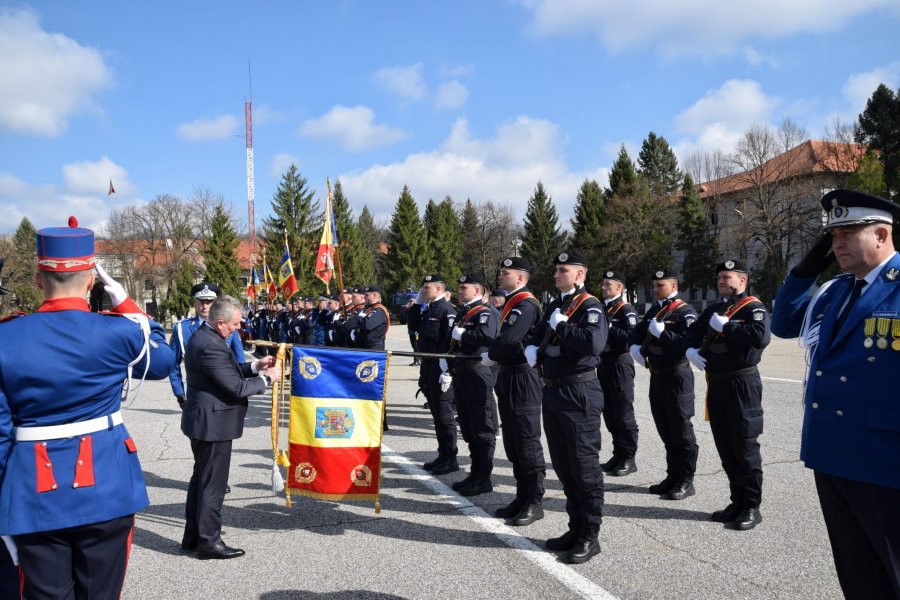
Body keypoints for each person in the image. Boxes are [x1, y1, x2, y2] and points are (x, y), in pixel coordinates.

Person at [0, 217, 175, 598]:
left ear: (37, 279)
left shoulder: (6, 336)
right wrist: (126, 302)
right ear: (93, 280)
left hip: (33, 491)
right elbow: (163, 361)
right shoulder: (118, 330)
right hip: (107, 485)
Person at [771, 189, 900, 599]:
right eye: (832, 235)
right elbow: (785, 323)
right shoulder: (836, 290)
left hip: (885, 460)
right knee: (857, 572)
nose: (836, 242)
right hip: (831, 454)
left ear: (881, 234)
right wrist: (805, 271)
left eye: (847, 232)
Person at [181, 295, 280, 560]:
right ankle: (209, 542)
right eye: (236, 324)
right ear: (221, 322)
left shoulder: (207, 337)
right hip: (212, 424)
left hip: (206, 420)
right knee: (212, 485)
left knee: (201, 480)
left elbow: (227, 370)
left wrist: (254, 366)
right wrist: (267, 379)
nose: (238, 328)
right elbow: (235, 387)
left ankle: (193, 537)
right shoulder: (210, 344)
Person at [684, 260, 770, 530]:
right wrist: (689, 350)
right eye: (719, 277)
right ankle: (737, 501)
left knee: (745, 447)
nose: (721, 281)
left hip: (742, 383)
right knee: (726, 447)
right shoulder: (716, 309)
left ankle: (751, 506)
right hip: (717, 384)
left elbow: (760, 337)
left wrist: (728, 327)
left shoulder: (753, 307)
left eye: (727, 277)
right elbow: (691, 333)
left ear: (742, 281)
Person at [534, 250, 607, 563]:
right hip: (552, 392)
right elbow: (542, 338)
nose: (555, 275)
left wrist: (563, 327)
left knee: (584, 467)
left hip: (579, 391)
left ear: (580, 274)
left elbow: (593, 344)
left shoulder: (591, 306)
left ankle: (590, 535)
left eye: (563, 270)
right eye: (555, 270)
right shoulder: (556, 305)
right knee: (564, 468)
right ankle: (574, 528)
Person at [484, 257, 547, 526]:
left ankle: (535, 500)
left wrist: (491, 353)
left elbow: (509, 339)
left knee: (526, 440)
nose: (500, 275)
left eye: (506, 273)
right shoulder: (512, 303)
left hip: (523, 376)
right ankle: (522, 496)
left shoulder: (525, 304)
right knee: (512, 442)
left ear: (520, 278)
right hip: (509, 376)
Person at [629, 269, 699, 500]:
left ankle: (686, 480)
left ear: (674, 285)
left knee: (681, 431)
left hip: (677, 377)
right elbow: (636, 332)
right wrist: (634, 346)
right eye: (654, 285)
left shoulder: (684, 312)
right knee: (666, 429)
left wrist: (664, 334)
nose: (655, 289)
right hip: (657, 376)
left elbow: (689, 343)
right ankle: (672, 475)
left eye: (660, 285)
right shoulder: (655, 310)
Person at [444, 273, 499, 496]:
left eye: (464, 288)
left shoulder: (485, 313)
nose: (460, 291)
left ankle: (483, 477)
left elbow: (487, 336)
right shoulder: (464, 312)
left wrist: (464, 334)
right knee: (469, 427)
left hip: (477, 374)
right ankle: (475, 473)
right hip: (462, 374)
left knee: (482, 428)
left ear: (477, 291)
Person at [408, 275, 458, 474]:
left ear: (438, 290)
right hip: (427, 366)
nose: (423, 290)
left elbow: (449, 342)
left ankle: (450, 457)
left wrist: (448, 370)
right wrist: (418, 302)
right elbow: (412, 326)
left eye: (426, 288)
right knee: (437, 414)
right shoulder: (429, 309)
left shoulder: (447, 310)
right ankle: (443, 454)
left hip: (440, 367)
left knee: (445, 415)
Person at [170, 283, 245, 409]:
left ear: (215, 304)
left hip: (225, 390)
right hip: (197, 393)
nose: (204, 306)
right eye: (201, 301)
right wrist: (179, 392)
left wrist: (240, 387)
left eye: (209, 302)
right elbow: (173, 363)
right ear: (195, 302)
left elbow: (239, 360)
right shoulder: (181, 328)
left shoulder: (228, 324)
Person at [598, 270, 639, 477]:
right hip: (603, 364)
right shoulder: (602, 307)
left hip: (620, 364)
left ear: (620, 287)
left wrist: (607, 328)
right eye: (603, 284)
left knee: (623, 412)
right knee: (610, 413)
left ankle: (628, 457)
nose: (603, 287)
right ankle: (618, 453)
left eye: (608, 284)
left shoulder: (625, 310)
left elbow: (631, 336)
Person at [355, 285, 389, 350]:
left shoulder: (379, 310)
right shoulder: (370, 309)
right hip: (366, 345)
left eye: (367, 295)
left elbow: (367, 325)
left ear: (374, 296)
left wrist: (359, 318)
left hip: (374, 347)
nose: (364, 297)